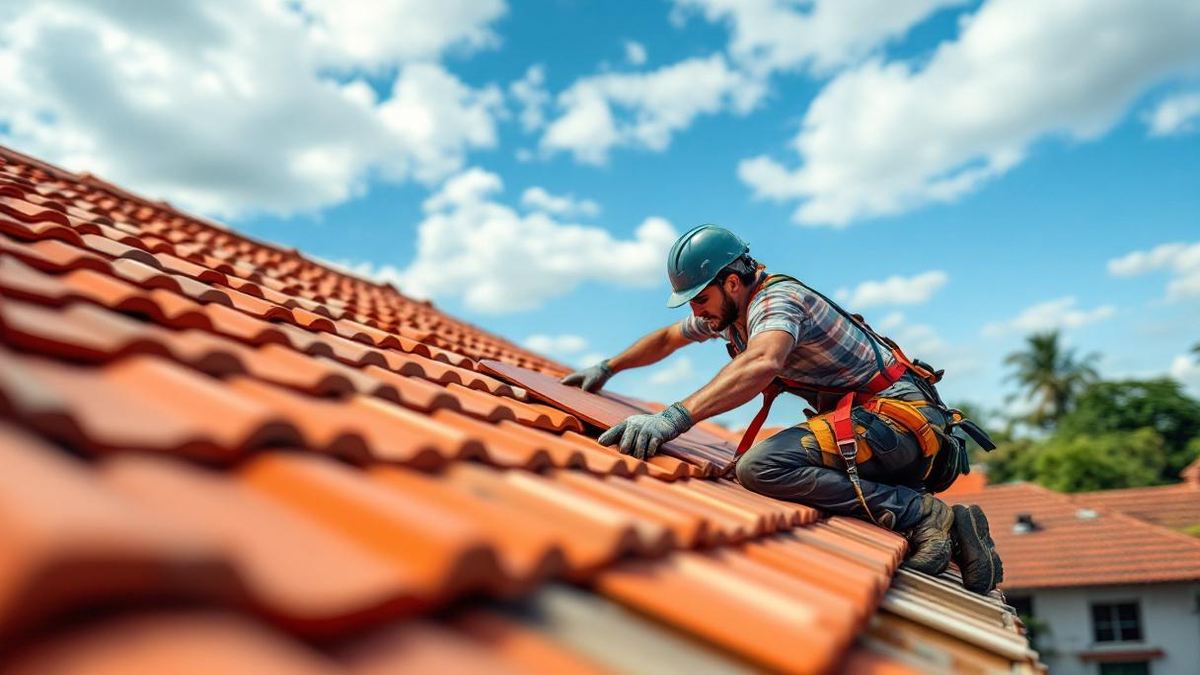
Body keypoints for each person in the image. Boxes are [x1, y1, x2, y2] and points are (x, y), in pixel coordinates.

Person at [561, 224, 1003, 594]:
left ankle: (921, 513)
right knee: (769, 463)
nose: (697, 311)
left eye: (700, 299)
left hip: (901, 426)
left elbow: (763, 361)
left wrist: (672, 419)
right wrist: (607, 367)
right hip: (882, 433)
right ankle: (955, 530)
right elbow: (666, 338)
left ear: (731, 282)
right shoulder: (727, 312)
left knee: (762, 467)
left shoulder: (777, 302)